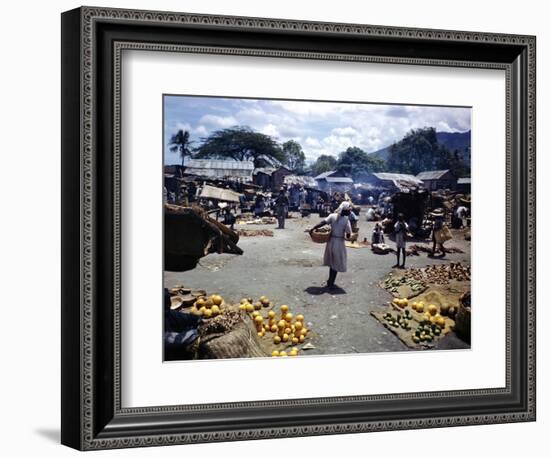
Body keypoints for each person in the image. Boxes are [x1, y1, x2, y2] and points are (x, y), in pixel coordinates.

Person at [309, 201, 352, 288]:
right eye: (348, 210)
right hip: (339, 243)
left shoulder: (332, 216)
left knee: (332, 262)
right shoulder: (346, 220)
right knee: (335, 263)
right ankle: (331, 282)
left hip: (331, 241)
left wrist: (313, 228)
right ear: (345, 210)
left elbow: (322, 222)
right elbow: (348, 234)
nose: (349, 212)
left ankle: (330, 280)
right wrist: (347, 234)